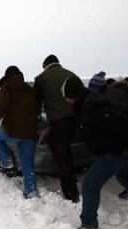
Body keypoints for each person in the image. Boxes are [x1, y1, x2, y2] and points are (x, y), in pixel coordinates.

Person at [63, 78, 128, 229]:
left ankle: (89, 224)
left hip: (113, 151)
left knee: (89, 185)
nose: (65, 99)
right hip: (115, 150)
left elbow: (123, 125)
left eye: (66, 96)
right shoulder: (84, 104)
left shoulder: (96, 106)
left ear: (72, 95)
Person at [0, 66, 39, 199]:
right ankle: (31, 192)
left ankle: (7, 162)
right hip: (30, 133)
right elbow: (36, 109)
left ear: (8, 77)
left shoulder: (8, 89)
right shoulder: (30, 90)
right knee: (28, 163)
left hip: (14, 131)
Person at [33, 54, 81, 202]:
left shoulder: (41, 78)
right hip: (77, 119)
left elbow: (36, 103)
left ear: (45, 65)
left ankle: (71, 194)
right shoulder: (71, 74)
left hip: (59, 121)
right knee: (71, 151)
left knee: (63, 156)